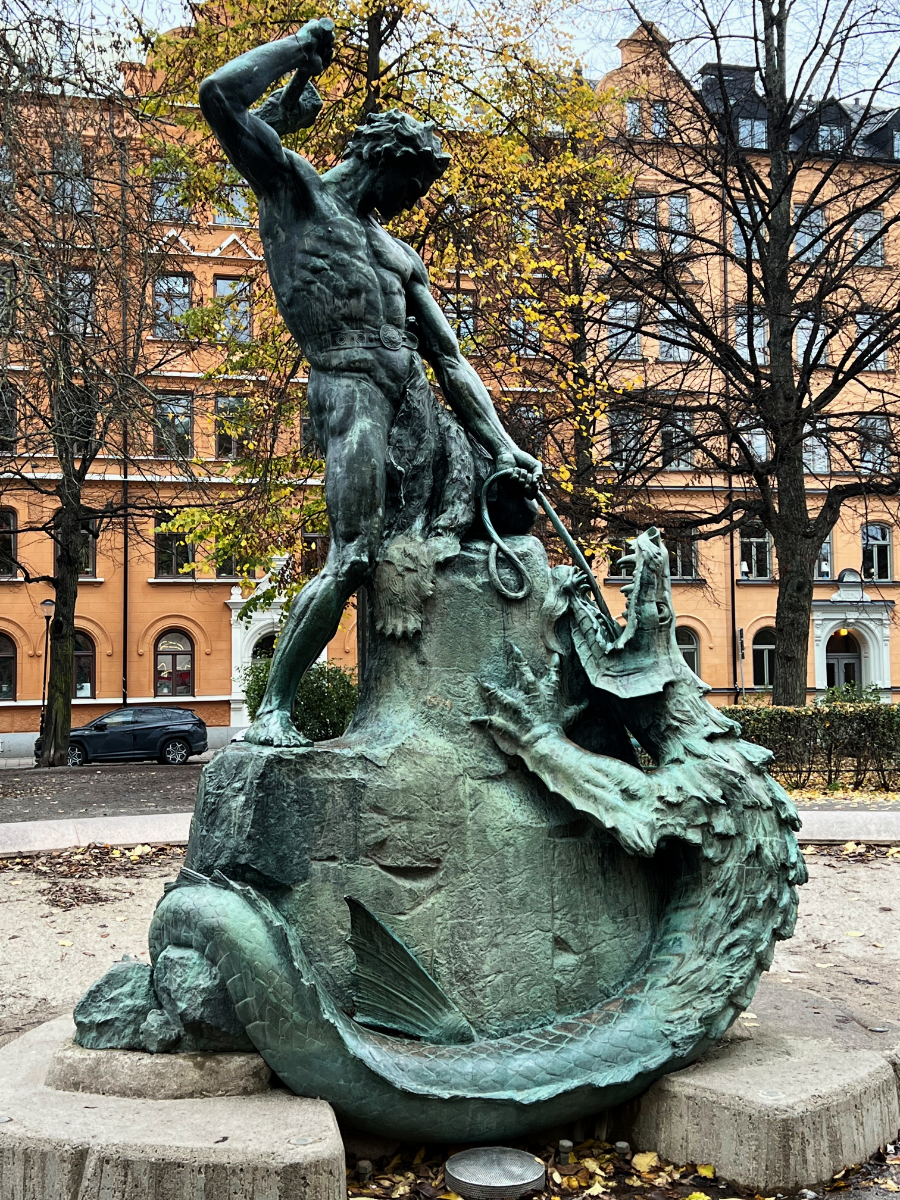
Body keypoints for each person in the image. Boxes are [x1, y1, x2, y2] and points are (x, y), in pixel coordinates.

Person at [199, 18, 542, 747]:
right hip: (349, 390)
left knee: (496, 519)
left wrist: (506, 448)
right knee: (353, 553)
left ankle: (449, 705)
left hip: (415, 406)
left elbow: (449, 359)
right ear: (383, 160)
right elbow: (218, 98)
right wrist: (297, 48)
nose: (413, 200)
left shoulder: (397, 252)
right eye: (411, 184)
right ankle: (275, 711)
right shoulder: (296, 198)